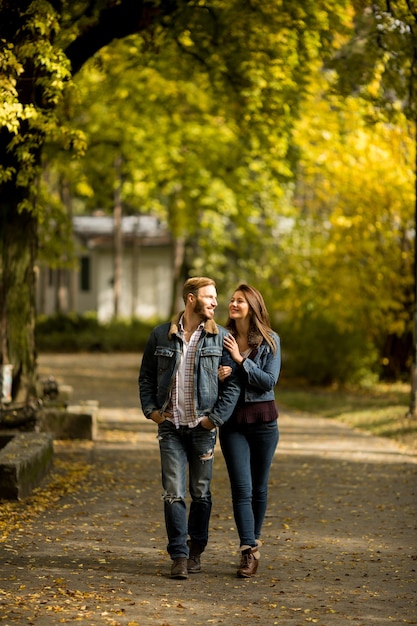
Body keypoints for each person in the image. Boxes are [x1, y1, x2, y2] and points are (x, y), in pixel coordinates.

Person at [138, 277, 240, 580]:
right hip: (170, 427)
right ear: (191, 299)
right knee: (172, 493)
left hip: (203, 428)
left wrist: (214, 419)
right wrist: (153, 412)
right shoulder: (160, 335)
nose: (215, 303)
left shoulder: (220, 338)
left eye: (216, 297)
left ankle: (196, 550)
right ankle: (179, 556)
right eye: (209, 297)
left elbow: (232, 385)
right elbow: (146, 376)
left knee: (201, 492)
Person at [218, 284, 281, 578]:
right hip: (232, 425)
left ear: (252, 306)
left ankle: (252, 544)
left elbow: (268, 381)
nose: (232, 303)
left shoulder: (270, 341)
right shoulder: (220, 339)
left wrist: (241, 362)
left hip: (264, 424)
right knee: (241, 488)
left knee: (259, 487)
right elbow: (209, 381)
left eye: (239, 300)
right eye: (231, 299)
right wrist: (218, 376)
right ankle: (248, 550)